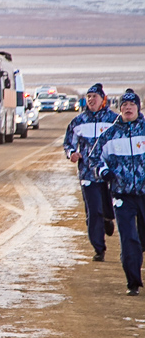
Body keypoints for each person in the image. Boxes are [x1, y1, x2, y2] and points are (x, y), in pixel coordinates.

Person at [89, 89, 145, 296]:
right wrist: (104, 172)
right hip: (122, 195)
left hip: (144, 192)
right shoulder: (110, 134)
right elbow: (94, 158)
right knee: (129, 238)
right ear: (120, 109)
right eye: (124, 106)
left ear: (138, 108)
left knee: (141, 239)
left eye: (131, 105)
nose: (128, 108)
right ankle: (133, 282)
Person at [63, 83, 119, 262]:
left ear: (103, 100)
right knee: (93, 211)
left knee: (108, 209)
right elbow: (68, 143)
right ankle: (99, 248)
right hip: (88, 174)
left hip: (109, 174)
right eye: (89, 97)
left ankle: (108, 219)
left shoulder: (113, 120)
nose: (91, 100)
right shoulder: (79, 121)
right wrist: (72, 153)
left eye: (95, 97)